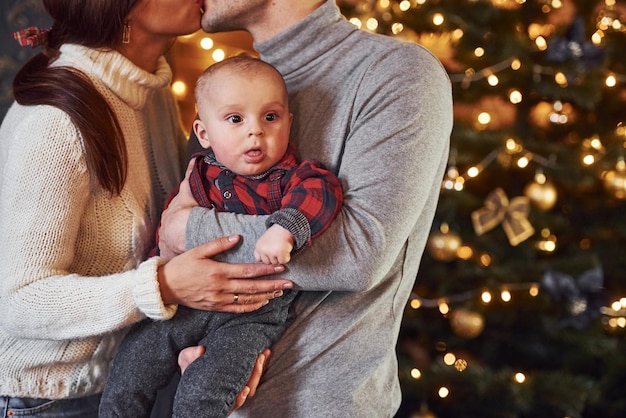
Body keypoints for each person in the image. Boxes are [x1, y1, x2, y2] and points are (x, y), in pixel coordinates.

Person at [158, 0, 453, 416]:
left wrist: (184, 229)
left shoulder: (395, 72)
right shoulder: (226, 89)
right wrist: (194, 342)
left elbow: (357, 253)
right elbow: (194, 269)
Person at [0, 1, 294, 417]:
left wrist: (218, 348)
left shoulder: (149, 93)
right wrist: (164, 286)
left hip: (133, 380)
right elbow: (17, 301)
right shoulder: (53, 121)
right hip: (49, 399)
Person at [99, 55, 343, 418]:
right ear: (203, 134)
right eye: (235, 119)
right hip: (186, 304)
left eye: (270, 117)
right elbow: (169, 238)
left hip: (251, 314)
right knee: (130, 372)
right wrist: (162, 258)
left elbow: (321, 194)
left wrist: (285, 229)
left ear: (288, 124)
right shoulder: (198, 177)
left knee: (203, 394)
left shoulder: (296, 176)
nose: (255, 131)